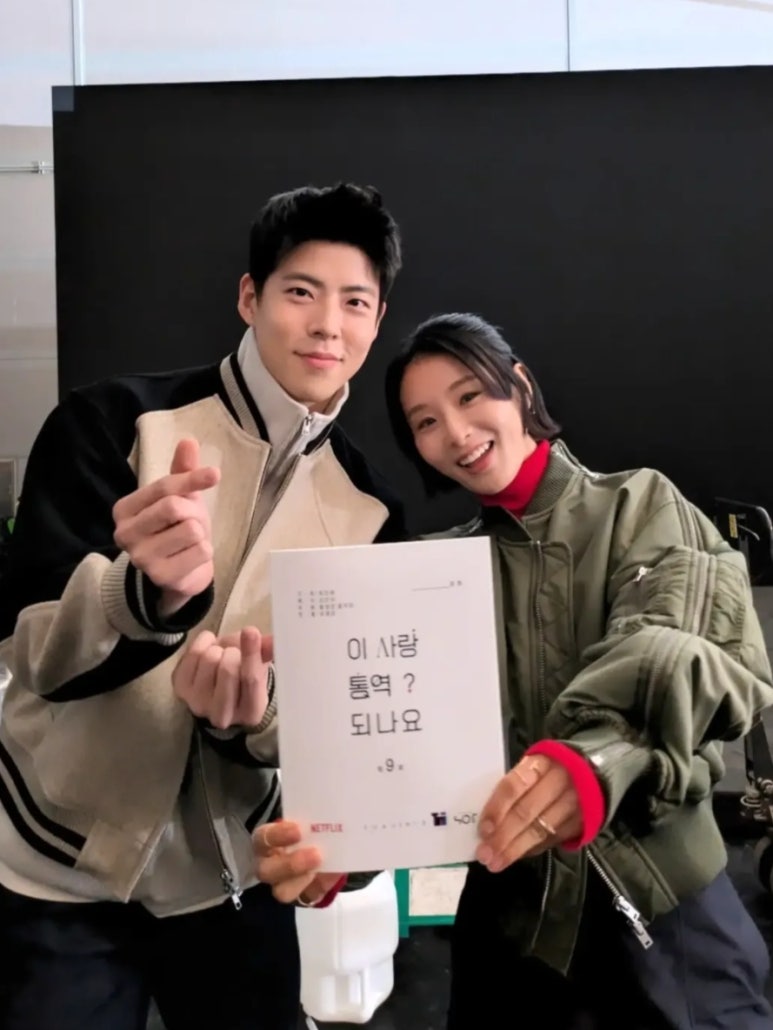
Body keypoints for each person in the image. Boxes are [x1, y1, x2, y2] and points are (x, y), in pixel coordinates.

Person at [255, 311, 773, 1029]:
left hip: (665, 914)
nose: (456, 432)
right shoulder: (430, 573)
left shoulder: (638, 504)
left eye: (470, 396)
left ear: (519, 385)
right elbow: (405, 747)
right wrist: (342, 844)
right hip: (511, 929)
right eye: (425, 422)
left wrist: (589, 762)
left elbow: (684, 647)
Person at [0, 182, 403, 1030]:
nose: (327, 325)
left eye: (354, 302)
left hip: (230, 876)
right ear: (249, 297)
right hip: (59, 863)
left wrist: (253, 719)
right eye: (301, 291)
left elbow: (339, 723)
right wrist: (138, 596)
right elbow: (28, 651)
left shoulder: (370, 510)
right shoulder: (114, 422)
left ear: (376, 321)